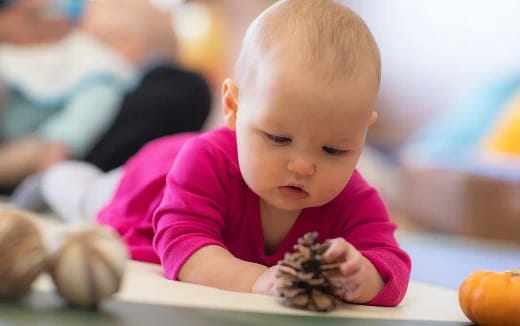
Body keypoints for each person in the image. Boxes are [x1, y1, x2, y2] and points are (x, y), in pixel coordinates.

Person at [41, 0, 411, 307]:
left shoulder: (354, 198)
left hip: (185, 174)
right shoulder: (205, 161)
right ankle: (50, 178)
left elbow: (391, 264)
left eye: (334, 149)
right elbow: (183, 245)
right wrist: (257, 280)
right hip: (146, 191)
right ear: (233, 107)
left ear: (363, 133)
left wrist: (365, 275)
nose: (303, 165)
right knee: (86, 195)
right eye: (278, 138)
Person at [0, 0, 210, 193]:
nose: (85, 8)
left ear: (128, 43)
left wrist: (57, 146)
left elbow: (85, 111)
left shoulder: (100, 70)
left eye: (113, 5)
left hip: (46, 154)